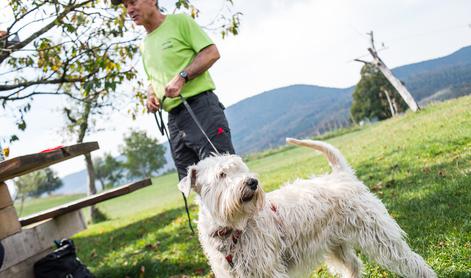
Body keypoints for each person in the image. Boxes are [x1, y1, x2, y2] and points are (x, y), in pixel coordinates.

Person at [112, 0, 235, 180]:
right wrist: (151, 94)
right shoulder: (145, 45)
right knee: (190, 183)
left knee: (226, 176)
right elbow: (154, 79)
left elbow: (211, 53)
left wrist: (182, 77)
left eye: (132, 2)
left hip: (201, 109)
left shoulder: (180, 22)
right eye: (125, 6)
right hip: (174, 120)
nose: (129, 10)